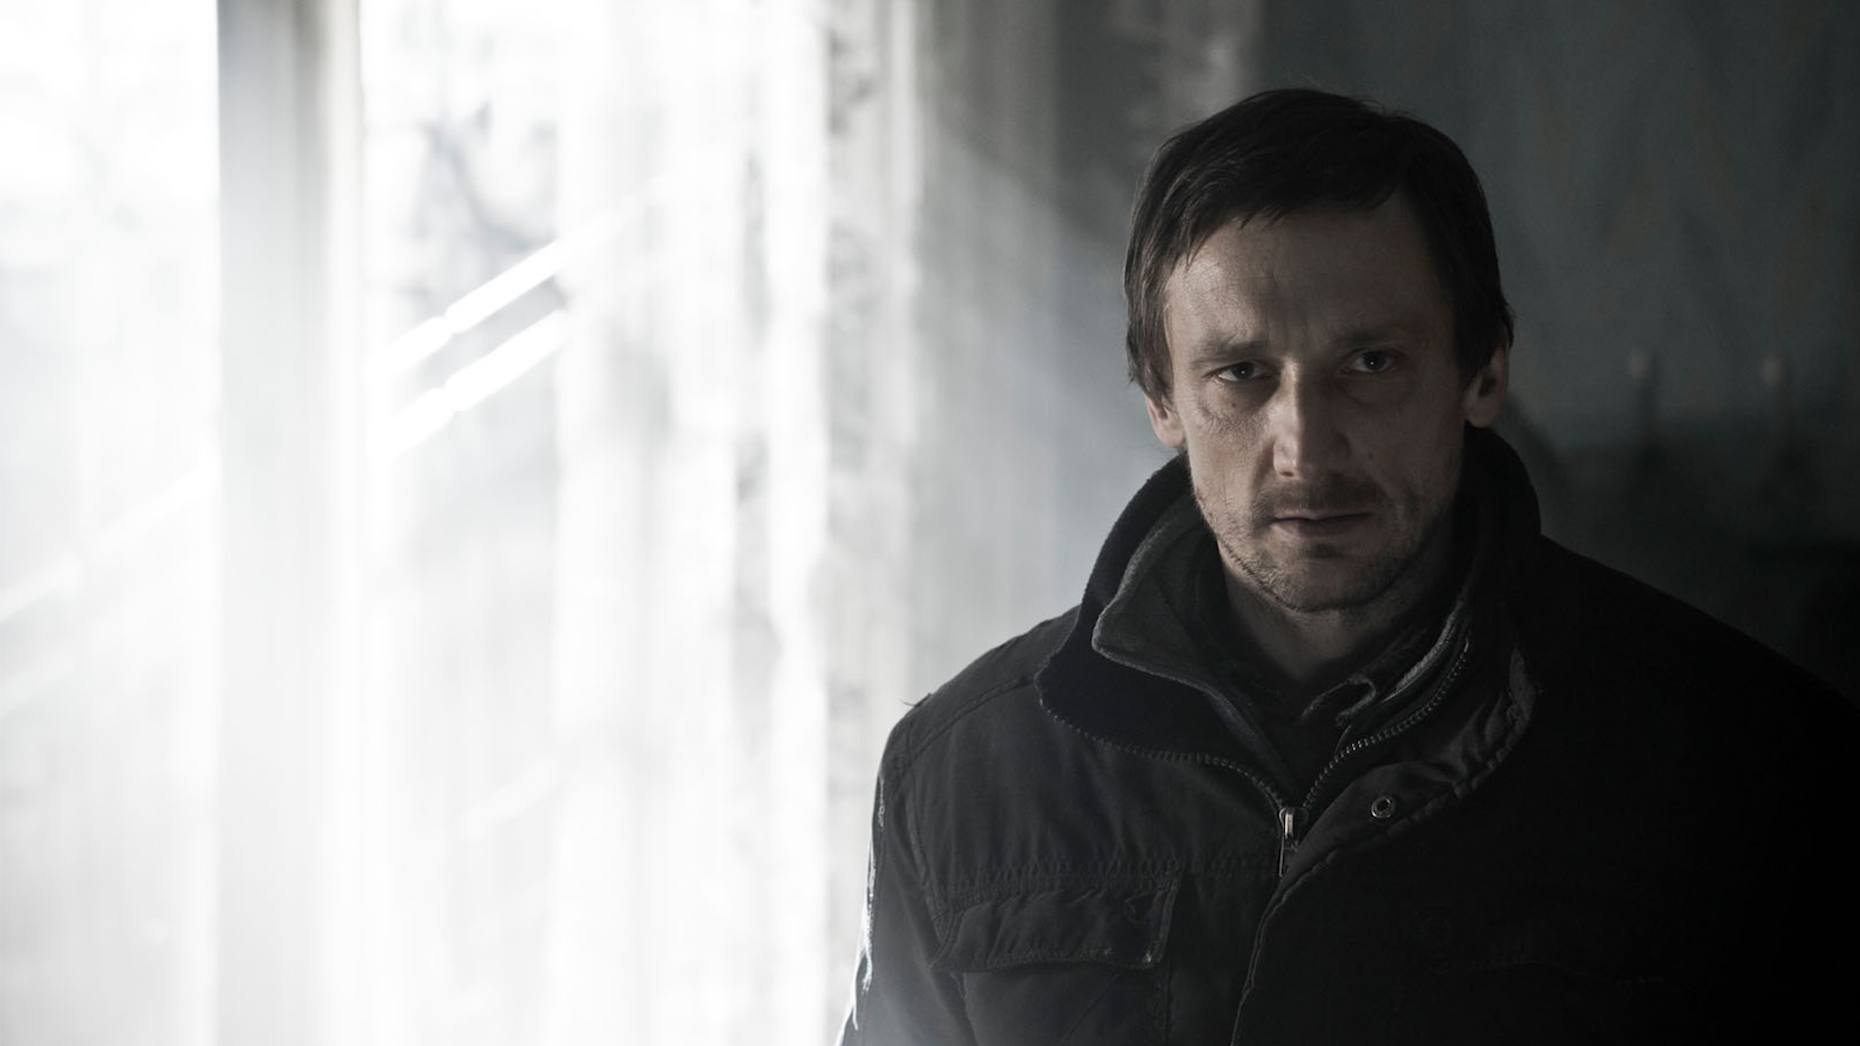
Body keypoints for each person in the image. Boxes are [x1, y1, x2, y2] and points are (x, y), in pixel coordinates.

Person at [836, 88, 1860, 1045]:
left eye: (1371, 363)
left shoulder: (1747, 761)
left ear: (1483, 370)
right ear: (1160, 398)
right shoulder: (960, 774)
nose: (1306, 449)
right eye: (1242, 373)